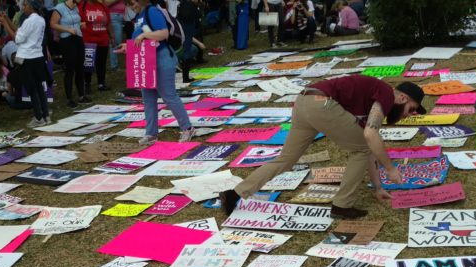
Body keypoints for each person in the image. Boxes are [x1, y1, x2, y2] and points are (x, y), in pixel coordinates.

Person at [221, 77, 426, 219]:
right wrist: (390, 169)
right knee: (362, 148)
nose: (409, 114)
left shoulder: (376, 97)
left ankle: (234, 194)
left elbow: (368, 145)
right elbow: (370, 137)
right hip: (321, 103)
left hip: (304, 100)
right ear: (402, 98)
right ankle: (342, 205)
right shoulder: (386, 95)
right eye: (412, 109)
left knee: (286, 159)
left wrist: (379, 187)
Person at [120, 0, 195, 144]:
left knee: (168, 95)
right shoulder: (139, 16)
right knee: (148, 97)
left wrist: (143, 36)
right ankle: (151, 133)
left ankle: (187, 128)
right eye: (128, 4)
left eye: (133, 2)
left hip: (162, 57)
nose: (131, 6)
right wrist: (128, 46)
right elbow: (141, 37)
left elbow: (163, 33)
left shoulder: (152, 11)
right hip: (146, 59)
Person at [3, 0, 50, 126]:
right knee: (39, 87)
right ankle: (45, 115)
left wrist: (5, 25)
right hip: (38, 56)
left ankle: (38, 117)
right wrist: (7, 20)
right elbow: (20, 31)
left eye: (24, 5)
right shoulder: (41, 20)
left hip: (26, 58)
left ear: (31, 7)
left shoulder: (28, 21)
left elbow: (17, 39)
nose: (23, 8)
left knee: (31, 88)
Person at [51, 0, 89, 108]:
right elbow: (53, 24)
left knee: (80, 67)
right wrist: (67, 29)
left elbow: (75, 22)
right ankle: (69, 98)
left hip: (78, 38)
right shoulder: (60, 7)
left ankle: (82, 95)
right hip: (67, 40)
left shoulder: (76, 8)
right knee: (70, 69)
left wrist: (80, 24)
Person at [80, 0, 111, 92]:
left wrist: (112, 36)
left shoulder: (102, 5)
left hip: (103, 39)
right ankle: (87, 84)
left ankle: (101, 84)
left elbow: (108, 22)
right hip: (88, 39)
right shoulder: (82, 5)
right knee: (88, 63)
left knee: (101, 62)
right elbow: (78, 21)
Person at [106, 0, 126, 71]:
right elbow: (106, 3)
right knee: (114, 41)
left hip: (119, 17)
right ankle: (114, 66)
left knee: (117, 41)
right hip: (113, 17)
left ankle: (114, 65)